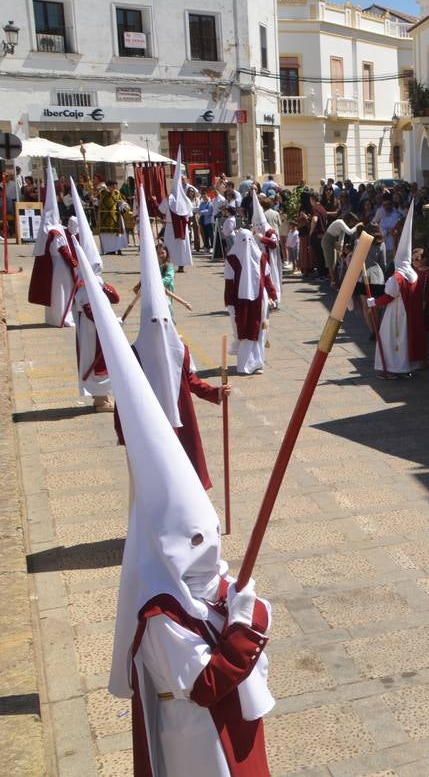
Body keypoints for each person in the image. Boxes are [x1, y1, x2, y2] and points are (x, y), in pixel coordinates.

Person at [73, 244, 274, 777]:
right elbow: (206, 683)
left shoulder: (196, 585)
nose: (213, 556)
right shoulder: (160, 617)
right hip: (197, 738)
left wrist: (215, 395)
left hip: (176, 453)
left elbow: (189, 381)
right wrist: (247, 625)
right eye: (199, 544)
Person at [116, 186, 227, 489]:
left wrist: (217, 393)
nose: (160, 327)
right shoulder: (134, 355)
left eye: (163, 323)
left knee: (183, 470)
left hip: (181, 420)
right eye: (155, 323)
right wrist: (123, 432)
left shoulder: (180, 350)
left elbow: (192, 382)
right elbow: (124, 397)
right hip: (149, 426)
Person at [69, 187, 119, 413]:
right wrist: (110, 322)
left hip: (100, 329)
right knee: (95, 361)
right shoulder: (82, 287)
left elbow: (115, 298)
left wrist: (104, 286)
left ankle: (105, 397)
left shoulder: (96, 282)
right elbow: (91, 312)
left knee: (105, 361)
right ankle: (100, 400)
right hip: (91, 332)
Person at [368, 205, 421, 380]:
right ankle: (405, 367)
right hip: (408, 313)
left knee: (390, 340)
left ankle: (392, 368)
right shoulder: (413, 274)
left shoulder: (397, 278)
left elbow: (388, 297)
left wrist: (374, 302)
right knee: (404, 341)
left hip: (396, 313)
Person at [224, 212, 277, 376]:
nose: (246, 244)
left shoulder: (260, 257)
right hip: (240, 302)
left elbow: (267, 278)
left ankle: (257, 363)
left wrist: (273, 296)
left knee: (260, 331)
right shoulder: (231, 259)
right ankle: (244, 365)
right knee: (244, 331)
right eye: (243, 240)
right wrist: (229, 303)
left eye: (248, 240)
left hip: (260, 300)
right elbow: (229, 282)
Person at [28, 165, 77, 327]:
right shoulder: (55, 231)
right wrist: (74, 263)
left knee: (54, 293)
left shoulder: (48, 230)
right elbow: (63, 249)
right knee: (63, 291)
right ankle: (64, 317)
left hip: (53, 266)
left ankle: (53, 318)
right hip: (61, 265)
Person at [159, 161, 194, 270]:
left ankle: (170, 263)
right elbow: (190, 213)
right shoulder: (186, 199)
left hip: (171, 226)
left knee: (170, 246)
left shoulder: (169, 198)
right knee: (180, 246)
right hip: (182, 227)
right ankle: (181, 264)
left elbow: (161, 209)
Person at [411, 247, 429, 369]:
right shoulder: (413, 271)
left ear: (424, 259)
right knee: (416, 333)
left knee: (423, 334)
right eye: (413, 260)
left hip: (425, 308)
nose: (414, 262)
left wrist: (426, 299)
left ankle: (424, 358)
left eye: (417, 259)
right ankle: (419, 356)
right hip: (414, 306)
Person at [321, 212, 362, 285]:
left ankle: (335, 281)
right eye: (353, 222)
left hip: (333, 241)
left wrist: (340, 248)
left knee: (335, 262)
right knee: (331, 262)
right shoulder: (340, 222)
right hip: (327, 241)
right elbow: (350, 232)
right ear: (349, 219)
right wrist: (357, 226)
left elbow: (342, 238)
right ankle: (333, 282)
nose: (353, 224)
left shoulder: (342, 225)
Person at [97, 180, 128, 254]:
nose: (114, 188)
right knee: (107, 236)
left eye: (115, 186)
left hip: (115, 216)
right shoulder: (101, 193)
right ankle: (109, 250)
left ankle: (118, 249)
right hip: (104, 217)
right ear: (108, 186)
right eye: (113, 186)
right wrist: (93, 200)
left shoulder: (117, 193)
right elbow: (97, 202)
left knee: (117, 235)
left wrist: (125, 205)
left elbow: (121, 202)